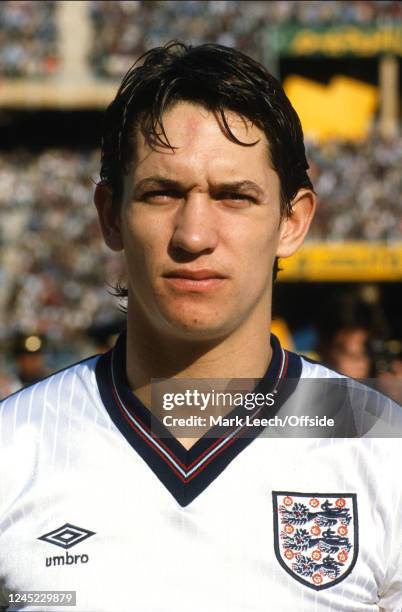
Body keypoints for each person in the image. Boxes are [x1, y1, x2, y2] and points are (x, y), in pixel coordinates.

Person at [0, 42, 401, 612]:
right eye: (162, 193)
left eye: (234, 197)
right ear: (111, 215)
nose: (193, 235)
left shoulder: (382, 445)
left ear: (292, 221)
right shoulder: (15, 445)